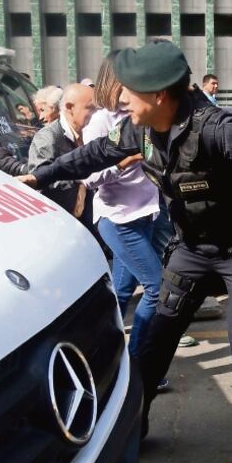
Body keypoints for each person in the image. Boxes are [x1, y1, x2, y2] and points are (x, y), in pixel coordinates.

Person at [20, 40, 232, 463]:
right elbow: (93, 154)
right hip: (191, 251)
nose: (119, 100)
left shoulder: (220, 130)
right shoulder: (138, 131)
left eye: (129, 93)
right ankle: (134, 431)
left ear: (159, 95)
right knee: (153, 338)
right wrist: (40, 176)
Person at [82, 51, 162, 364]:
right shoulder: (99, 122)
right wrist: (123, 163)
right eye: (127, 81)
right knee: (157, 289)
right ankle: (138, 361)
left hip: (145, 215)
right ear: (112, 83)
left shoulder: (136, 117)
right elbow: (88, 178)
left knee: (121, 293)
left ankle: (104, 357)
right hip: (118, 220)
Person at [28, 83, 98, 229]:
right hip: (61, 223)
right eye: (90, 108)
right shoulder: (48, 137)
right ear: (69, 107)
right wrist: (81, 183)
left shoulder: (90, 132)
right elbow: (41, 178)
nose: (95, 114)